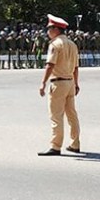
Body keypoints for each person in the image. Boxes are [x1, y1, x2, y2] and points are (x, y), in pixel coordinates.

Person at [38, 14, 81, 156]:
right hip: (70, 82)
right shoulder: (72, 44)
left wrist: (43, 83)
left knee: (56, 116)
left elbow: (50, 65)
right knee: (72, 115)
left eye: (49, 28)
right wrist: (76, 83)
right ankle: (75, 143)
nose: (47, 32)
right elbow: (76, 67)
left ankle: (55, 146)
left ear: (56, 29)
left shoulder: (55, 44)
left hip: (58, 83)